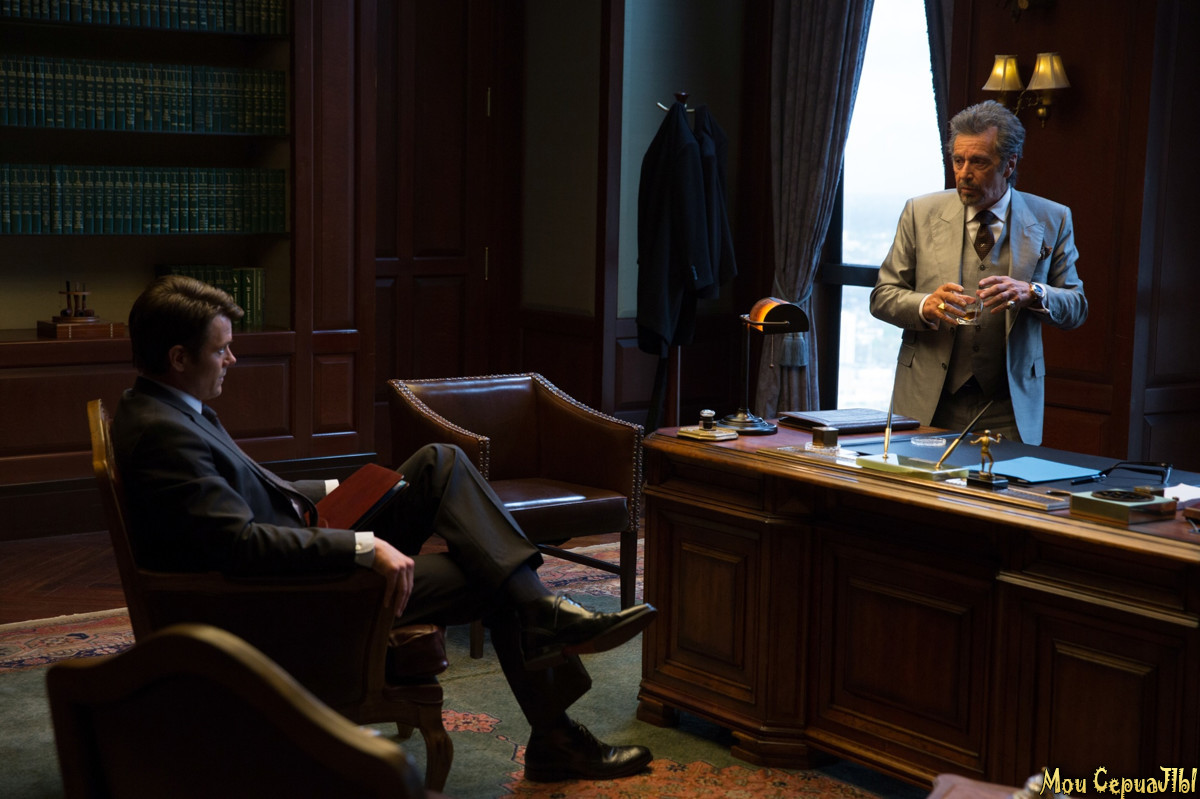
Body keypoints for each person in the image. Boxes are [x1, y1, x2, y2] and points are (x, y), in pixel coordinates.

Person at [111, 274, 658, 782]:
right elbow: (239, 543)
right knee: (490, 573)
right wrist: (362, 546)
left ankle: (541, 615)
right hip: (288, 594)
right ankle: (555, 724)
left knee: (439, 461)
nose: (232, 359)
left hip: (295, 554)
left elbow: (243, 496)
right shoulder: (165, 434)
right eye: (220, 349)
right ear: (178, 357)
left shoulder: (165, 408)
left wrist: (345, 488)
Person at [870, 100, 1087, 445]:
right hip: (929, 398)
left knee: (1005, 482)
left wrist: (1033, 293)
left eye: (979, 162)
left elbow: (1076, 306)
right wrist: (926, 305)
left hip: (1008, 406)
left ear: (1009, 164)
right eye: (958, 160)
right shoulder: (919, 212)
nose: (964, 173)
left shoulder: (1052, 218)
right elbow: (882, 296)